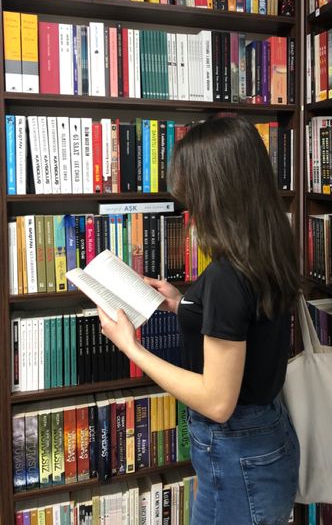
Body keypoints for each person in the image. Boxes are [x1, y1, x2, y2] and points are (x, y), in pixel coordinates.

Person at [97, 115, 301, 525]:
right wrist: (182, 303)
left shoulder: (229, 275)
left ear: (215, 191)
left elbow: (217, 401)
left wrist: (130, 347)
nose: (187, 206)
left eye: (191, 193)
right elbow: (247, 322)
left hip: (238, 452)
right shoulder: (268, 246)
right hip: (264, 437)